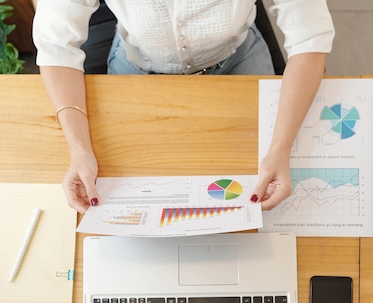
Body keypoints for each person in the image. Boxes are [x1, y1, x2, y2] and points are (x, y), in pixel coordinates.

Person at [33, 1, 335, 214]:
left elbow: (310, 39)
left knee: (261, 202)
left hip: (236, 60)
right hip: (138, 67)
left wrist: (281, 148)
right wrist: (79, 150)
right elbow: (55, 46)